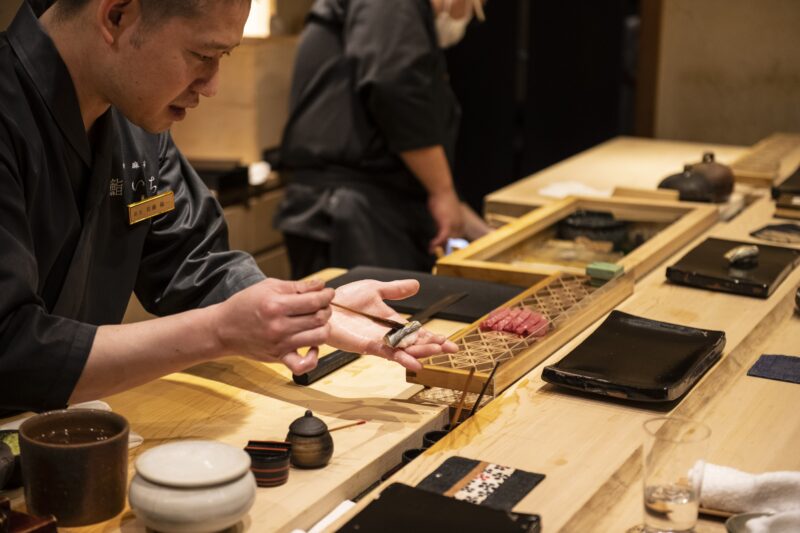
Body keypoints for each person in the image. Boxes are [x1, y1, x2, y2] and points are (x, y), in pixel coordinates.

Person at [0, 0, 457, 418]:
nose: (213, 85)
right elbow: (10, 350)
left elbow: (195, 264)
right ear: (117, 16)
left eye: (225, 57)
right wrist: (219, 332)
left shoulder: (133, 122)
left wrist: (306, 313)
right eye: (203, 55)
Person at [274, 0, 490, 280]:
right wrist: (442, 191)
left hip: (375, 209)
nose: (470, 16)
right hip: (350, 214)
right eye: (477, 6)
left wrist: (478, 229)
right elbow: (394, 86)